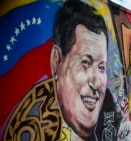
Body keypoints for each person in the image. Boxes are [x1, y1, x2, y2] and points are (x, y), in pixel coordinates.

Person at [2, 0, 122, 140]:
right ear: (57, 61)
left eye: (101, 67)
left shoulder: (112, 113)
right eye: (85, 63)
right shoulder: (32, 124)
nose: (96, 83)